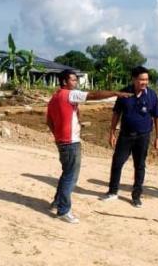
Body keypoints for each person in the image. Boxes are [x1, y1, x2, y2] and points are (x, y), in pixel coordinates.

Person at [46, 70, 129, 223]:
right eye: (73, 80)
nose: (76, 82)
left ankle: (58, 202)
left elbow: (49, 121)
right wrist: (116, 93)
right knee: (70, 176)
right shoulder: (70, 94)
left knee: (66, 173)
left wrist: (58, 134)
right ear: (64, 82)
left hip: (62, 141)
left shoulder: (55, 97)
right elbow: (93, 95)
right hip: (70, 142)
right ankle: (63, 210)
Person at [101, 66, 158, 208]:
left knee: (139, 166)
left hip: (143, 136)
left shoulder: (152, 95)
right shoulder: (124, 93)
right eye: (141, 79)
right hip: (125, 136)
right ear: (134, 79)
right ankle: (112, 191)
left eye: (146, 79)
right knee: (117, 163)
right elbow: (116, 113)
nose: (144, 82)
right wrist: (112, 132)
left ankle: (136, 196)